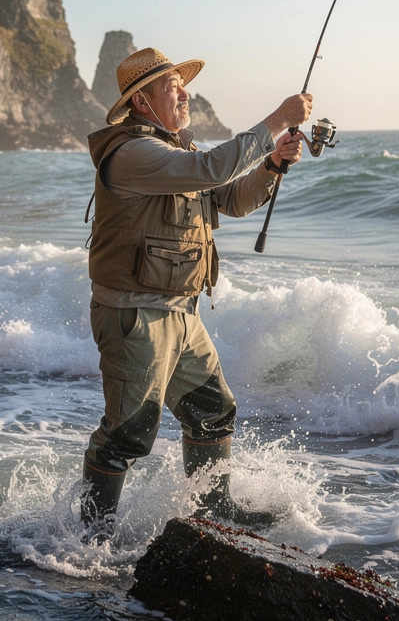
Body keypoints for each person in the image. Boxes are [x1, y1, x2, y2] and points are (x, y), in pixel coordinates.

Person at [81, 46, 312, 532]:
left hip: (182, 315)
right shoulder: (132, 154)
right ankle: (89, 538)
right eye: (172, 86)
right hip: (136, 315)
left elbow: (231, 198)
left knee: (213, 410)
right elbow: (213, 170)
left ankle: (212, 512)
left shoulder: (173, 151)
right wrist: (277, 119)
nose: (185, 92)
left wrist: (270, 164)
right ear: (142, 102)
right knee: (126, 435)